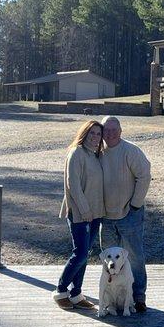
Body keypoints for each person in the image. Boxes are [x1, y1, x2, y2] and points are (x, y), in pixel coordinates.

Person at [99, 116, 151, 313]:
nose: (110, 133)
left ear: (121, 131)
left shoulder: (131, 151)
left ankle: (138, 298)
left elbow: (144, 176)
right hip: (106, 215)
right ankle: (110, 298)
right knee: (109, 261)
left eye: (114, 129)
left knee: (135, 257)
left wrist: (135, 204)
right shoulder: (99, 152)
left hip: (130, 214)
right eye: (106, 129)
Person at [53, 120, 105, 310]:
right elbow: (73, 185)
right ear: (84, 133)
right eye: (92, 133)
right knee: (80, 253)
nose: (95, 137)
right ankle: (60, 291)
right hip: (80, 213)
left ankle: (76, 294)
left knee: (85, 254)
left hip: (95, 214)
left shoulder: (95, 155)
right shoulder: (76, 153)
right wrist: (85, 211)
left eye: (98, 134)